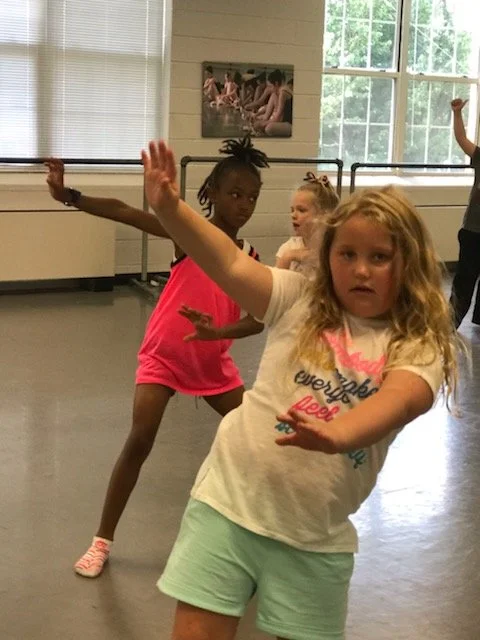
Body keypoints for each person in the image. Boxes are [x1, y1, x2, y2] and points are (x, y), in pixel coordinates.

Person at [142, 140, 460, 640]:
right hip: (227, 504)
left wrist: (339, 433)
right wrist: (170, 208)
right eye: (347, 254)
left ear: (409, 264)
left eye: (379, 257)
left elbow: (401, 398)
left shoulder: (414, 342)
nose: (360, 269)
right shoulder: (301, 299)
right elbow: (228, 262)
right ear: (327, 256)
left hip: (315, 538)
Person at [45, 136, 268, 578]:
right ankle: (101, 541)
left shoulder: (250, 257)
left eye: (252, 198)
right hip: (165, 355)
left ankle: (259, 535)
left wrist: (218, 332)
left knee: (258, 438)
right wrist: (71, 196)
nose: (243, 204)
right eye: (235, 194)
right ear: (214, 193)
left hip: (212, 362)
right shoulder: (188, 235)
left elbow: (258, 319)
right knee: (140, 438)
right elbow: (127, 212)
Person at [449, 97, 480, 328]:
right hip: (473, 231)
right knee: (464, 280)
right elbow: (461, 139)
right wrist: (457, 113)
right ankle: (450, 322)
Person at [276, 172, 339, 278]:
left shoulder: (333, 249)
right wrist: (287, 257)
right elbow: (275, 285)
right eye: (292, 210)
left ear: (324, 215)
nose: (293, 215)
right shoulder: (288, 247)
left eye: (301, 210)